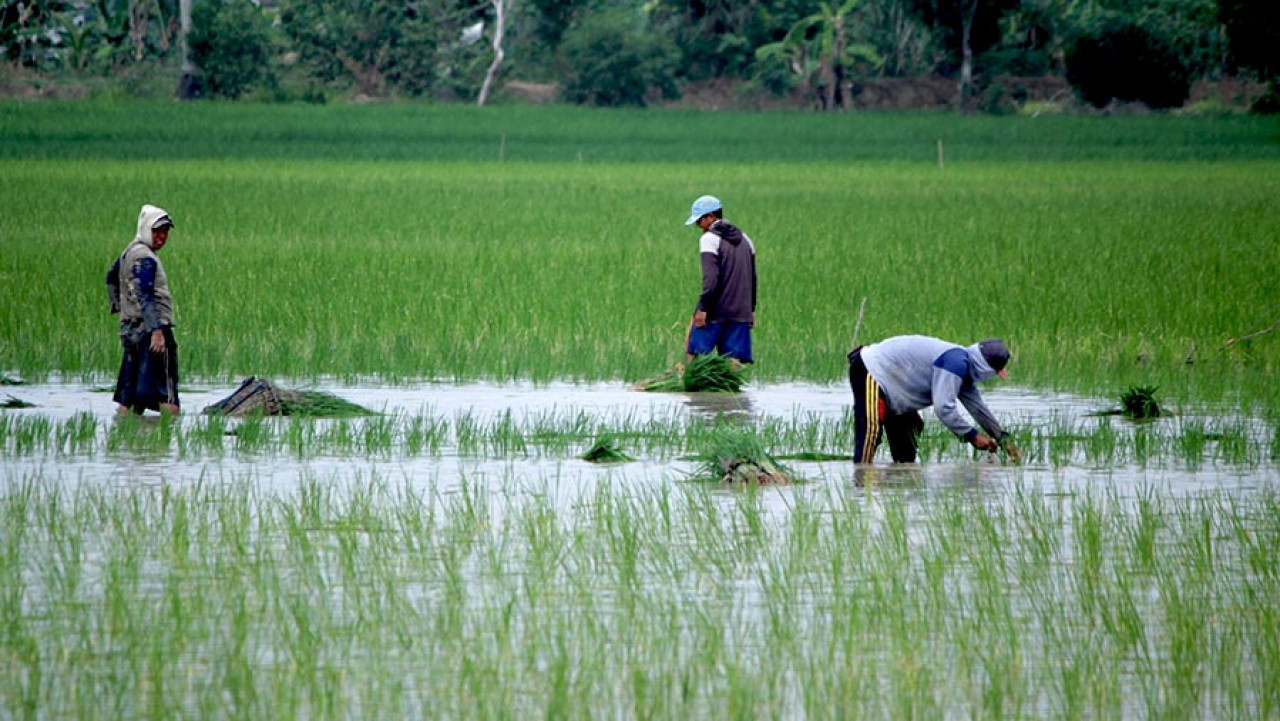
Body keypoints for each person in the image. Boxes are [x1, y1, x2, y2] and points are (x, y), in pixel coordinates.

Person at [847, 335, 1019, 464]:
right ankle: (861, 484)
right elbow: (944, 408)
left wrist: (1003, 439)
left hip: (898, 387)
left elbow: (978, 409)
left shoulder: (964, 367)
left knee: (908, 440)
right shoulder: (955, 362)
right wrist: (972, 436)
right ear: (986, 369)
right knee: (871, 431)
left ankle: (898, 485)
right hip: (873, 370)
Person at [106, 204, 181, 416]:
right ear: (146, 229)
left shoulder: (129, 252)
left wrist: (120, 307)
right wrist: (156, 332)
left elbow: (110, 277)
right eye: (157, 231)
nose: (162, 237)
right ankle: (169, 434)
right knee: (168, 397)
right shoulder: (145, 258)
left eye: (165, 232)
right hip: (152, 332)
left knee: (128, 399)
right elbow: (145, 294)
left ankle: (125, 433)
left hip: (131, 331)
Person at [683, 194, 757, 365]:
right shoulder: (746, 240)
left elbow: (711, 279)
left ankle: (691, 382)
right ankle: (728, 384)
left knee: (695, 355)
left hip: (715, 310)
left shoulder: (709, 239)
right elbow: (753, 279)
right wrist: (751, 310)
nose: (698, 226)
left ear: (710, 217)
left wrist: (703, 309)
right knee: (733, 362)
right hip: (741, 311)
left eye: (699, 221)